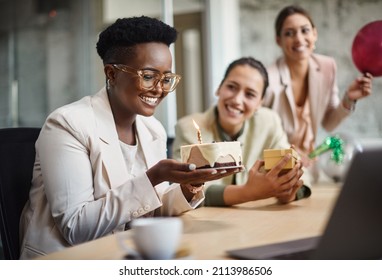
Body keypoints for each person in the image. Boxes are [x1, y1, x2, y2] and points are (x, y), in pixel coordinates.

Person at [19, 16, 238, 259]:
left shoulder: (152, 129)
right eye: (148, 76)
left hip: (125, 255)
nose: (159, 89)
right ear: (112, 74)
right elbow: (76, 227)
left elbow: (149, 209)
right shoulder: (67, 125)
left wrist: (189, 186)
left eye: (166, 78)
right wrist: (154, 177)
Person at [173, 57, 311, 207]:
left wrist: (288, 193)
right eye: (232, 87)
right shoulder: (188, 128)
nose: (237, 100)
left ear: (260, 103)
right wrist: (248, 192)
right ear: (219, 88)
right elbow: (185, 190)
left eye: (250, 94)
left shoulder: (269, 122)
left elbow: (300, 177)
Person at [263, 5, 373, 180]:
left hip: (310, 168)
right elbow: (261, 133)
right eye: (289, 33)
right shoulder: (268, 78)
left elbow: (328, 123)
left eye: (304, 30)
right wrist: (293, 156)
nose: (299, 39)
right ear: (279, 40)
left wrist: (349, 99)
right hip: (277, 169)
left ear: (314, 34)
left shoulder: (327, 67)